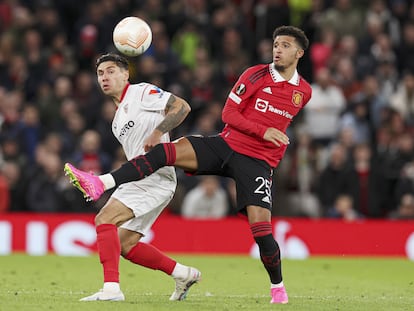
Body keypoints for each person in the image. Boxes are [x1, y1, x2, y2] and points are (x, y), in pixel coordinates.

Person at [65, 26, 312, 304]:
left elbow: (184, 107)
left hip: (256, 162)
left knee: (261, 230)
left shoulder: (303, 92)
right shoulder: (255, 74)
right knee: (165, 154)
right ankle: (176, 270)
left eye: (285, 45)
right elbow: (229, 114)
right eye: (276, 44)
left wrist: (269, 143)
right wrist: (261, 130)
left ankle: (277, 288)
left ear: (299, 53)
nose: (277, 49)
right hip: (226, 146)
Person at [64, 53, 201, 302]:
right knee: (125, 245)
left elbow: (182, 106)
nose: (104, 77)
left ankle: (111, 289)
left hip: (157, 178)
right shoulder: (116, 121)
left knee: (104, 218)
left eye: (111, 71)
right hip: (140, 179)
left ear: (126, 74)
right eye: (100, 74)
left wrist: (160, 131)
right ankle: (183, 273)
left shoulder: (141, 92)